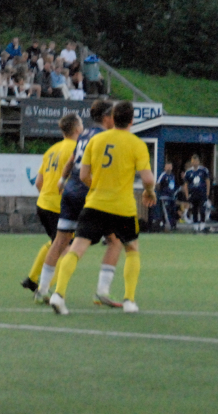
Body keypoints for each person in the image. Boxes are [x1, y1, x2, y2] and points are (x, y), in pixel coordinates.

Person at [50, 101, 157, 315]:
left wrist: (98, 187)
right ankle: (129, 300)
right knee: (131, 249)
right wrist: (149, 192)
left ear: (113, 118)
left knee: (76, 248)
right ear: (132, 121)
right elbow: (147, 179)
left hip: (95, 204)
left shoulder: (96, 140)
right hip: (123, 208)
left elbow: (83, 175)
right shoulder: (137, 144)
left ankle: (58, 294)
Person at [33, 100, 120, 306]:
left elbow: (72, 160)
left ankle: (42, 290)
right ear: (107, 117)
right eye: (113, 115)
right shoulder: (106, 138)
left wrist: (62, 180)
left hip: (70, 192)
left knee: (59, 242)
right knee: (115, 241)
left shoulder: (85, 134)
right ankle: (102, 292)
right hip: (89, 194)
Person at [21, 113, 81, 297]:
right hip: (59, 207)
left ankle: (32, 279)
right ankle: (43, 290)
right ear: (77, 128)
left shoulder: (52, 149)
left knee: (55, 243)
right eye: (81, 125)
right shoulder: (77, 149)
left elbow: (39, 182)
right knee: (68, 249)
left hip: (44, 204)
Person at [184, 154, 211, 232]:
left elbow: (207, 181)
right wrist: (187, 195)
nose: (195, 163)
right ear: (191, 162)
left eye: (196, 161)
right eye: (193, 161)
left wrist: (207, 193)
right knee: (194, 210)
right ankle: (195, 226)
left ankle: (202, 225)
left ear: (199, 162)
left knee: (202, 210)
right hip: (193, 194)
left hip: (202, 194)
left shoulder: (204, 170)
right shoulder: (188, 172)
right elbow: (186, 184)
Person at [153, 160, 177, 231]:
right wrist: (160, 191)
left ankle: (173, 225)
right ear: (165, 168)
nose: (169, 168)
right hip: (165, 197)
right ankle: (169, 226)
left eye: (170, 167)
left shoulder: (172, 176)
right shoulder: (163, 175)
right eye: (167, 167)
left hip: (171, 197)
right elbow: (158, 184)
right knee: (167, 211)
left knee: (172, 211)